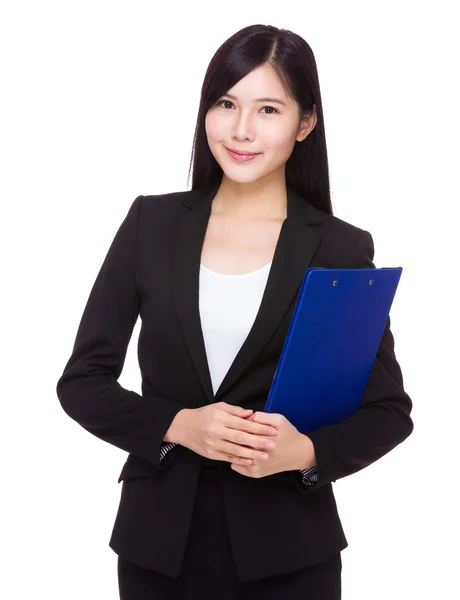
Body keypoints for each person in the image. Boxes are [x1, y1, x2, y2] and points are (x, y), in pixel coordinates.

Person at [56, 23, 414, 600]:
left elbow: (388, 410)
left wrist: (304, 453)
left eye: (268, 108)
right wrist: (179, 426)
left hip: (291, 553)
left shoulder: (341, 248)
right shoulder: (151, 224)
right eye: (226, 103)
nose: (242, 129)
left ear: (305, 123)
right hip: (158, 548)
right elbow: (82, 382)